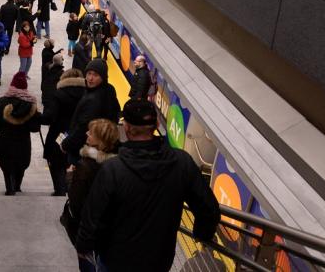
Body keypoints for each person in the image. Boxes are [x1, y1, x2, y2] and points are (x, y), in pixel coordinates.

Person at [75, 99, 221, 272]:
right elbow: (209, 208)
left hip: (116, 259)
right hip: (159, 260)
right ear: (157, 123)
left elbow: (93, 216)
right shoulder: (182, 162)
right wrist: (203, 234)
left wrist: (84, 247)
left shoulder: (112, 169)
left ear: (126, 128)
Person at [62, 118, 119, 269]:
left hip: (87, 231)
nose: (87, 133)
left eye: (91, 133)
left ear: (100, 140)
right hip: (110, 232)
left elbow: (76, 202)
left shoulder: (85, 166)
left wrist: (69, 177)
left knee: (87, 265)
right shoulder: (117, 164)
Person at [0, 72, 42, 195]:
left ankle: (9, 188)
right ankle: (17, 186)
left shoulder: (2, 101)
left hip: (5, 140)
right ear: (25, 87)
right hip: (23, 141)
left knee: (6, 164)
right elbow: (35, 128)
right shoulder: (31, 104)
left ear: (12, 85)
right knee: (21, 163)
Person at [61, 59, 121, 161]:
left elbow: (82, 127)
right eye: (89, 73)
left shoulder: (93, 100)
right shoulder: (109, 88)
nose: (90, 78)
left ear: (103, 77)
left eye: (96, 75)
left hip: (84, 148)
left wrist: (66, 144)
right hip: (103, 144)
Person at [41, 68, 85, 196]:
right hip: (80, 133)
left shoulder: (59, 94)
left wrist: (37, 117)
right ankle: (73, 188)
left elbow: (49, 116)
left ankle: (60, 189)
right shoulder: (87, 93)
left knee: (56, 162)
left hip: (59, 133)